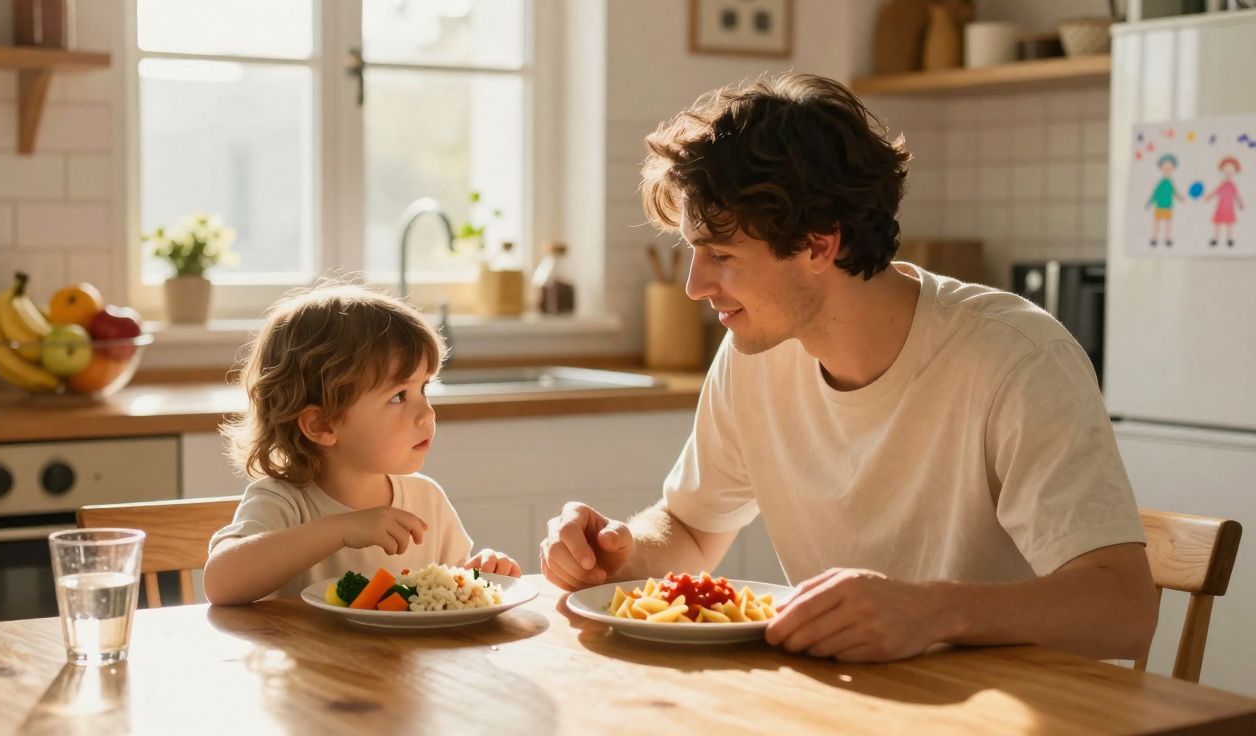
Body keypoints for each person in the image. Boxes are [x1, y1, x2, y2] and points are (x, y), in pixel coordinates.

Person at [539, 73, 1157, 663]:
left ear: (818, 244)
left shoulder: (1014, 358)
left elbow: (1123, 610)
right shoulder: (755, 352)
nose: (696, 286)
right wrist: (619, 552)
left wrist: (933, 611)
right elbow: (693, 531)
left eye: (720, 255)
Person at [205, 283, 520, 605]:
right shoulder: (283, 501)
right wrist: (338, 530)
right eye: (399, 396)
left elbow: (451, 589)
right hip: (310, 656)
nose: (427, 413)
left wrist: (483, 571)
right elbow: (220, 582)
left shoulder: (426, 499)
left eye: (424, 389)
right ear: (322, 424)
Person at [1205, 156, 1244, 248]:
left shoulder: (1233, 185)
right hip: (1221, 207)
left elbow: (1237, 195)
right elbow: (1215, 191)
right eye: (1226, 170)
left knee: (1229, 224)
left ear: (1235, 172)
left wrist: (1241, 203)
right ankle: (1215, 239)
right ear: (1222, 171)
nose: (1228, 172)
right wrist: (1209, 196)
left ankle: (1229, 239)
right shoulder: (1222, 184)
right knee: (1217, 223)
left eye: (1231, 171)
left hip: (1229, 208)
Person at [1147, 153, 1184, 247]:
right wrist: (1150, 202)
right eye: (1165, 168)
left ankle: (1167, 239)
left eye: (1169, 168)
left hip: (1168, 206)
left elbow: (1174, 192)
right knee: (1157, 223)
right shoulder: (1161, 182)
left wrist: (1180, 198)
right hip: (1159, 206)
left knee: (1168, 223)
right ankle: (1154, 238)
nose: (1167, 169)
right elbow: (1155, 193)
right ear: (1161, 169)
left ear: (1173, 168)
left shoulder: (1171, 182)